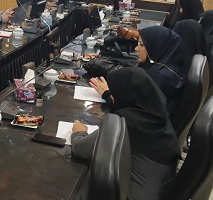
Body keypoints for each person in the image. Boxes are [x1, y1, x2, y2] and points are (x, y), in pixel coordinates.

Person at [72, 68, 180, 200]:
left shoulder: (124, 126)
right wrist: (107, 95)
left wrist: (80, 132)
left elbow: (79, 149)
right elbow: (127, 107)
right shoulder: (157, 115)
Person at [136, 26, 186, 115]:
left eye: (141, 45)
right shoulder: (168, 70)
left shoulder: (156, 78)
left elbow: (136, 108)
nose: (136, 48)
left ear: (155, 46)